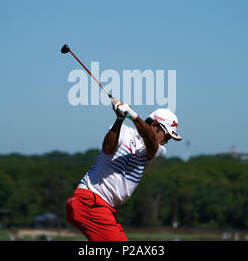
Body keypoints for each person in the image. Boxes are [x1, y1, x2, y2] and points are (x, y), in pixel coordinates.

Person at [66, 98, 182, 241]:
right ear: (154, 126)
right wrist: (120, 118)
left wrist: (132, 116)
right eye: (167, 135)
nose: (167, 141)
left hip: (106, 209)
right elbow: (107, 149)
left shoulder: (159, 152)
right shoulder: (124, 132)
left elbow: (151, 140)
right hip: (90, 202)